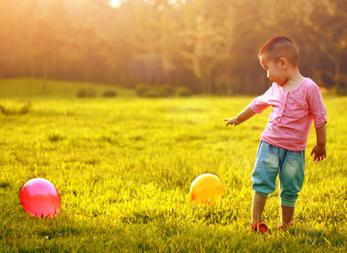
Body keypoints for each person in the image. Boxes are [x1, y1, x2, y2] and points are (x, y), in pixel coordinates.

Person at [224, 36, 327, 233]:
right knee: (262, 181)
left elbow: (319, 117)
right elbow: (257, 104)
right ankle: (256, 223)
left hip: (294, 152)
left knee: (290, 187)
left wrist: (321, 144)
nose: (267, 75)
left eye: (266, 68)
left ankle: (286, 224)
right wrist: (238, 118)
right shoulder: (275, 88)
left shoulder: (309, 88)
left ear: (283, 63)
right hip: (269, 145)